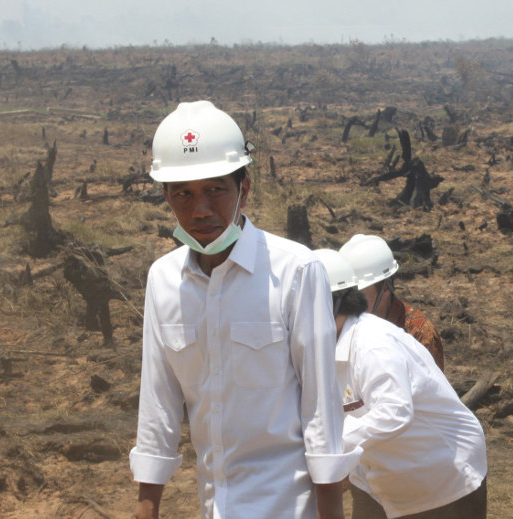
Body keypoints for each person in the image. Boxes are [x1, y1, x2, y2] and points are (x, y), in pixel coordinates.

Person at [130, 100, 352, 519]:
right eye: (183, 194)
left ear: (243, 190)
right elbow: (157, 405)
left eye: (216, 190)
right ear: (166, 196)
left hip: (289, 505)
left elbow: (320, 408)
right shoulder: (163, 280)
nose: (200, 210)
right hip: (214, 504)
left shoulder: (295, 271)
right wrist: (146, 510)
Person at [314, 249, 488, 519]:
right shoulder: (317, 343)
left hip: (440, 475)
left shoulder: (373, 345)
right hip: (376, 477)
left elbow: (394, 412)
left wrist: (328, 444)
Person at [339, 234, 445, 371]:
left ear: (386, 288)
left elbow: (432, 390)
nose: (350, 302)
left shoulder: (419, 334)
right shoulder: (341, 326)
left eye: (358, 294)